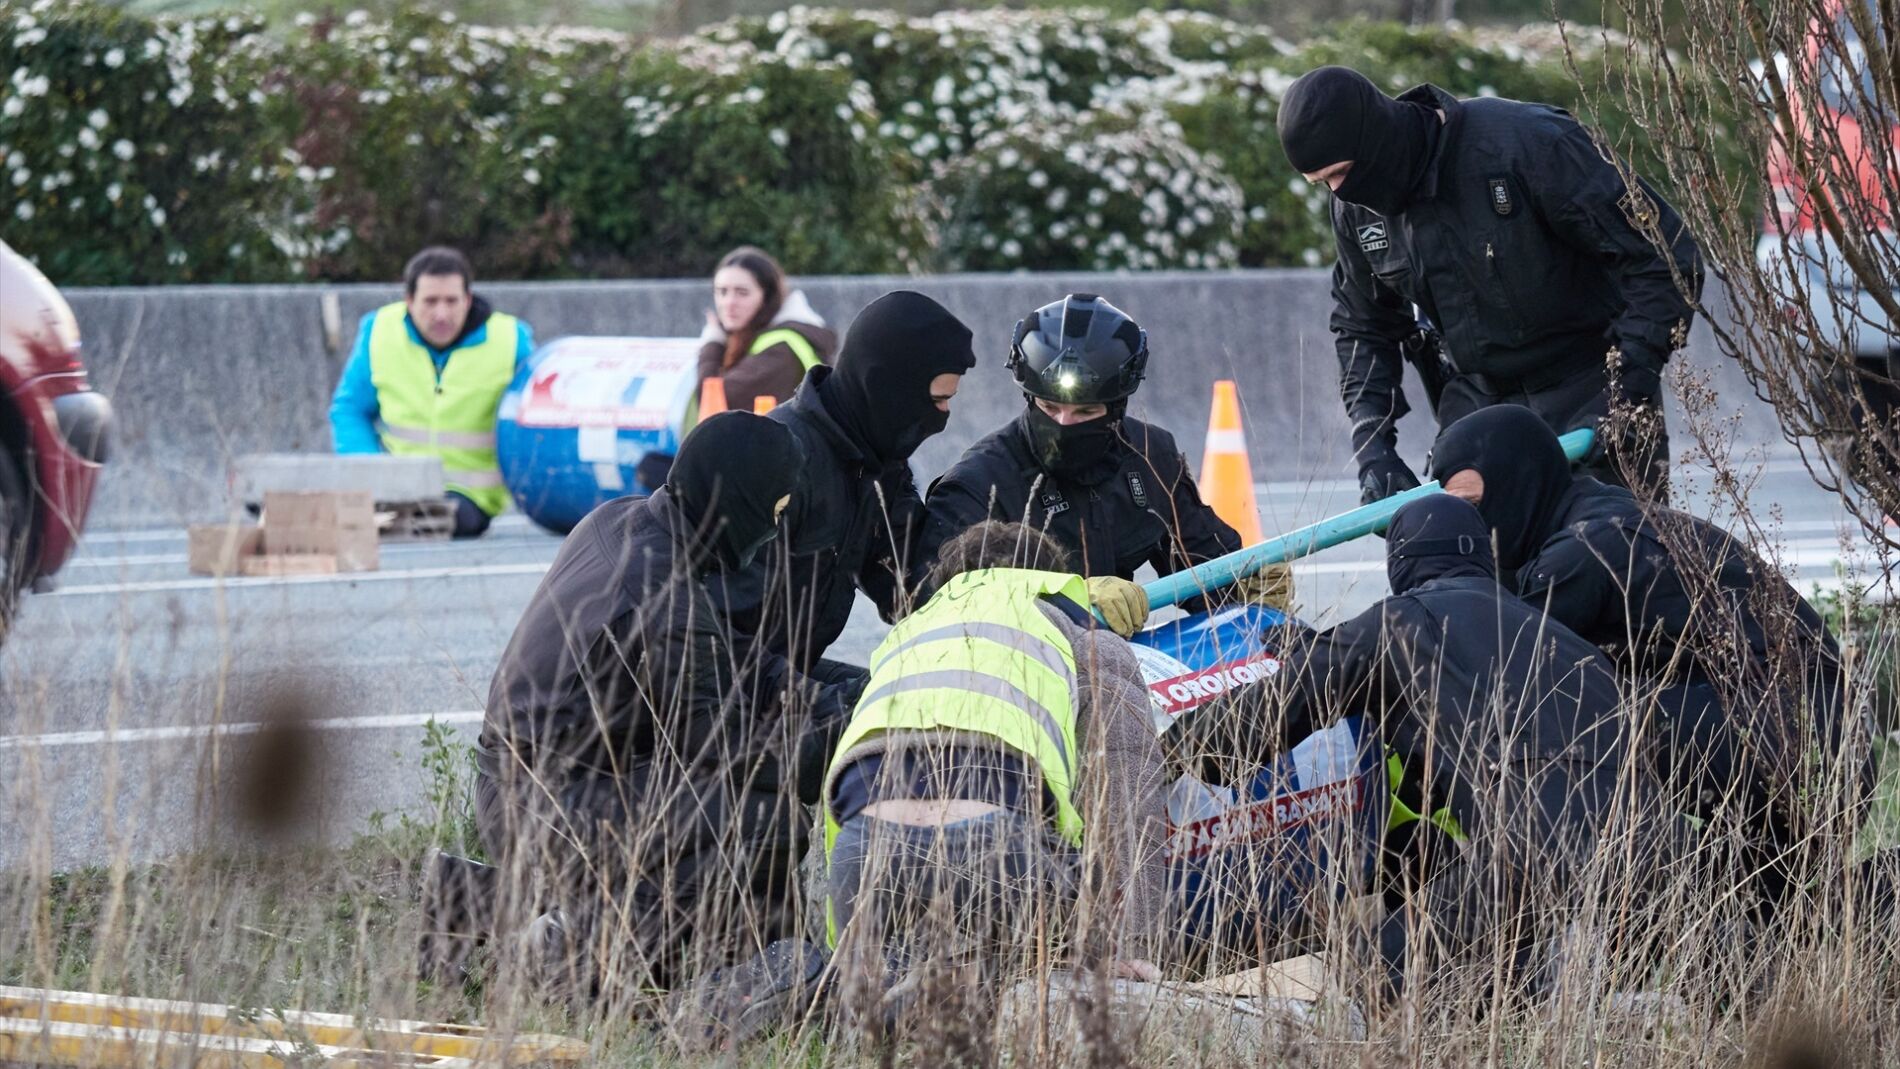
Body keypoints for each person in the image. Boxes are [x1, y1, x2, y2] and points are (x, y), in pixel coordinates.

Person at [1172, 495, 1667, 999]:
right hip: (1653, 843)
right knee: (1540, 972)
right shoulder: (1557, 633)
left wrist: (1169, 746)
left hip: (1531, 846)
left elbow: (1266, 714)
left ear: (1401, 562)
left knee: (1377, 973)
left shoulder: (1405, 620)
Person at [475, 411, 865, 995]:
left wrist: (842, 691)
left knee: (719, 808)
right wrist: (850, 734)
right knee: (758, 814)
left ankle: (485, 905)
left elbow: (728, 659)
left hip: (525, 785)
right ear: (737, 502)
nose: (774, 529)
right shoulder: (665, 597)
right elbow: (732, 754)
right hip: (545, 808)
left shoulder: (625, 520)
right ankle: (570, 955)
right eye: (774, 510)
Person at [1428, 404, 1872, 904]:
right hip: (1816, 745)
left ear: (1520, 485)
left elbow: (1498, 667)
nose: (1471, 526)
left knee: (1567, 716)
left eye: (1474, 506)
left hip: (1799, 747)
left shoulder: (1583, 551)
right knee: (1757, 911)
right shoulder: (1604, 514)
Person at [1275, 66, 1704, 503]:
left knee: (1607, 543)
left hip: (1590, 390)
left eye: (1342, 172)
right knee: (1449, 543)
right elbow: (1362, 325)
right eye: (1322, 183)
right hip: (1477, 410)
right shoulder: (1355, 213)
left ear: (1374, 138)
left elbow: (1665, 258)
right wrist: (1373, 448)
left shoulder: (1529, 144)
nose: (1339, 191)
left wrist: (1625, 392)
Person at [820, 520, 1171, 1031]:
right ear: (1050, 579)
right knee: (1039, 948)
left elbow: (847, 785)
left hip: (863, 845)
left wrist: (849, 957)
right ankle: (970, 991)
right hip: (994, 843)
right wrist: (1124, 946)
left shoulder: (907, 635)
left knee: (876, 1022)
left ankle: (918, 994)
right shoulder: (1074, 633)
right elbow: (1127, 789)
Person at [918, 293, 1290, 637]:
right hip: (1022, 662)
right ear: (1029, 398)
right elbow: (937, 604)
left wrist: (1243, 584)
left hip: (1120, 661)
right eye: (1049, 407)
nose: (1063, 423)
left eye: (1085, 412)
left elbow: (1202, 564)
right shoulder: (979, 483)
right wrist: (1067, 598)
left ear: (1116, 409)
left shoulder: (1150, 456)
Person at [706, 290, 977, 673]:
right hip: (727, 677)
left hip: (788, 670)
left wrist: (987, 576)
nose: (944, 414)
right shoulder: (776, 461)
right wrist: (815, 699)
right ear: (888, 390)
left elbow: (909, 584)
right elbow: (717, 629)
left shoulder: (877, 460)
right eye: (937, 400)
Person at [329, 246, 534, 539]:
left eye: (452, 301)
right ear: (409, 301)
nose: (441, 314)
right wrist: (369, 474)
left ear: (468, 299)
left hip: (470, 497)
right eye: (430, 301)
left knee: (433, 522)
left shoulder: (511, 339)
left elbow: (535, 418)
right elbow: (350, 410)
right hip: (395, 489)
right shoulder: (380, 331)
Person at [695, 246, 835, 416]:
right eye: (722, 292)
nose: (729, 302)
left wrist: (713, 342)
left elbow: (713, 401)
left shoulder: (782, 347)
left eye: (742, 293)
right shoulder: (766, 336)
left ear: (767, 297)